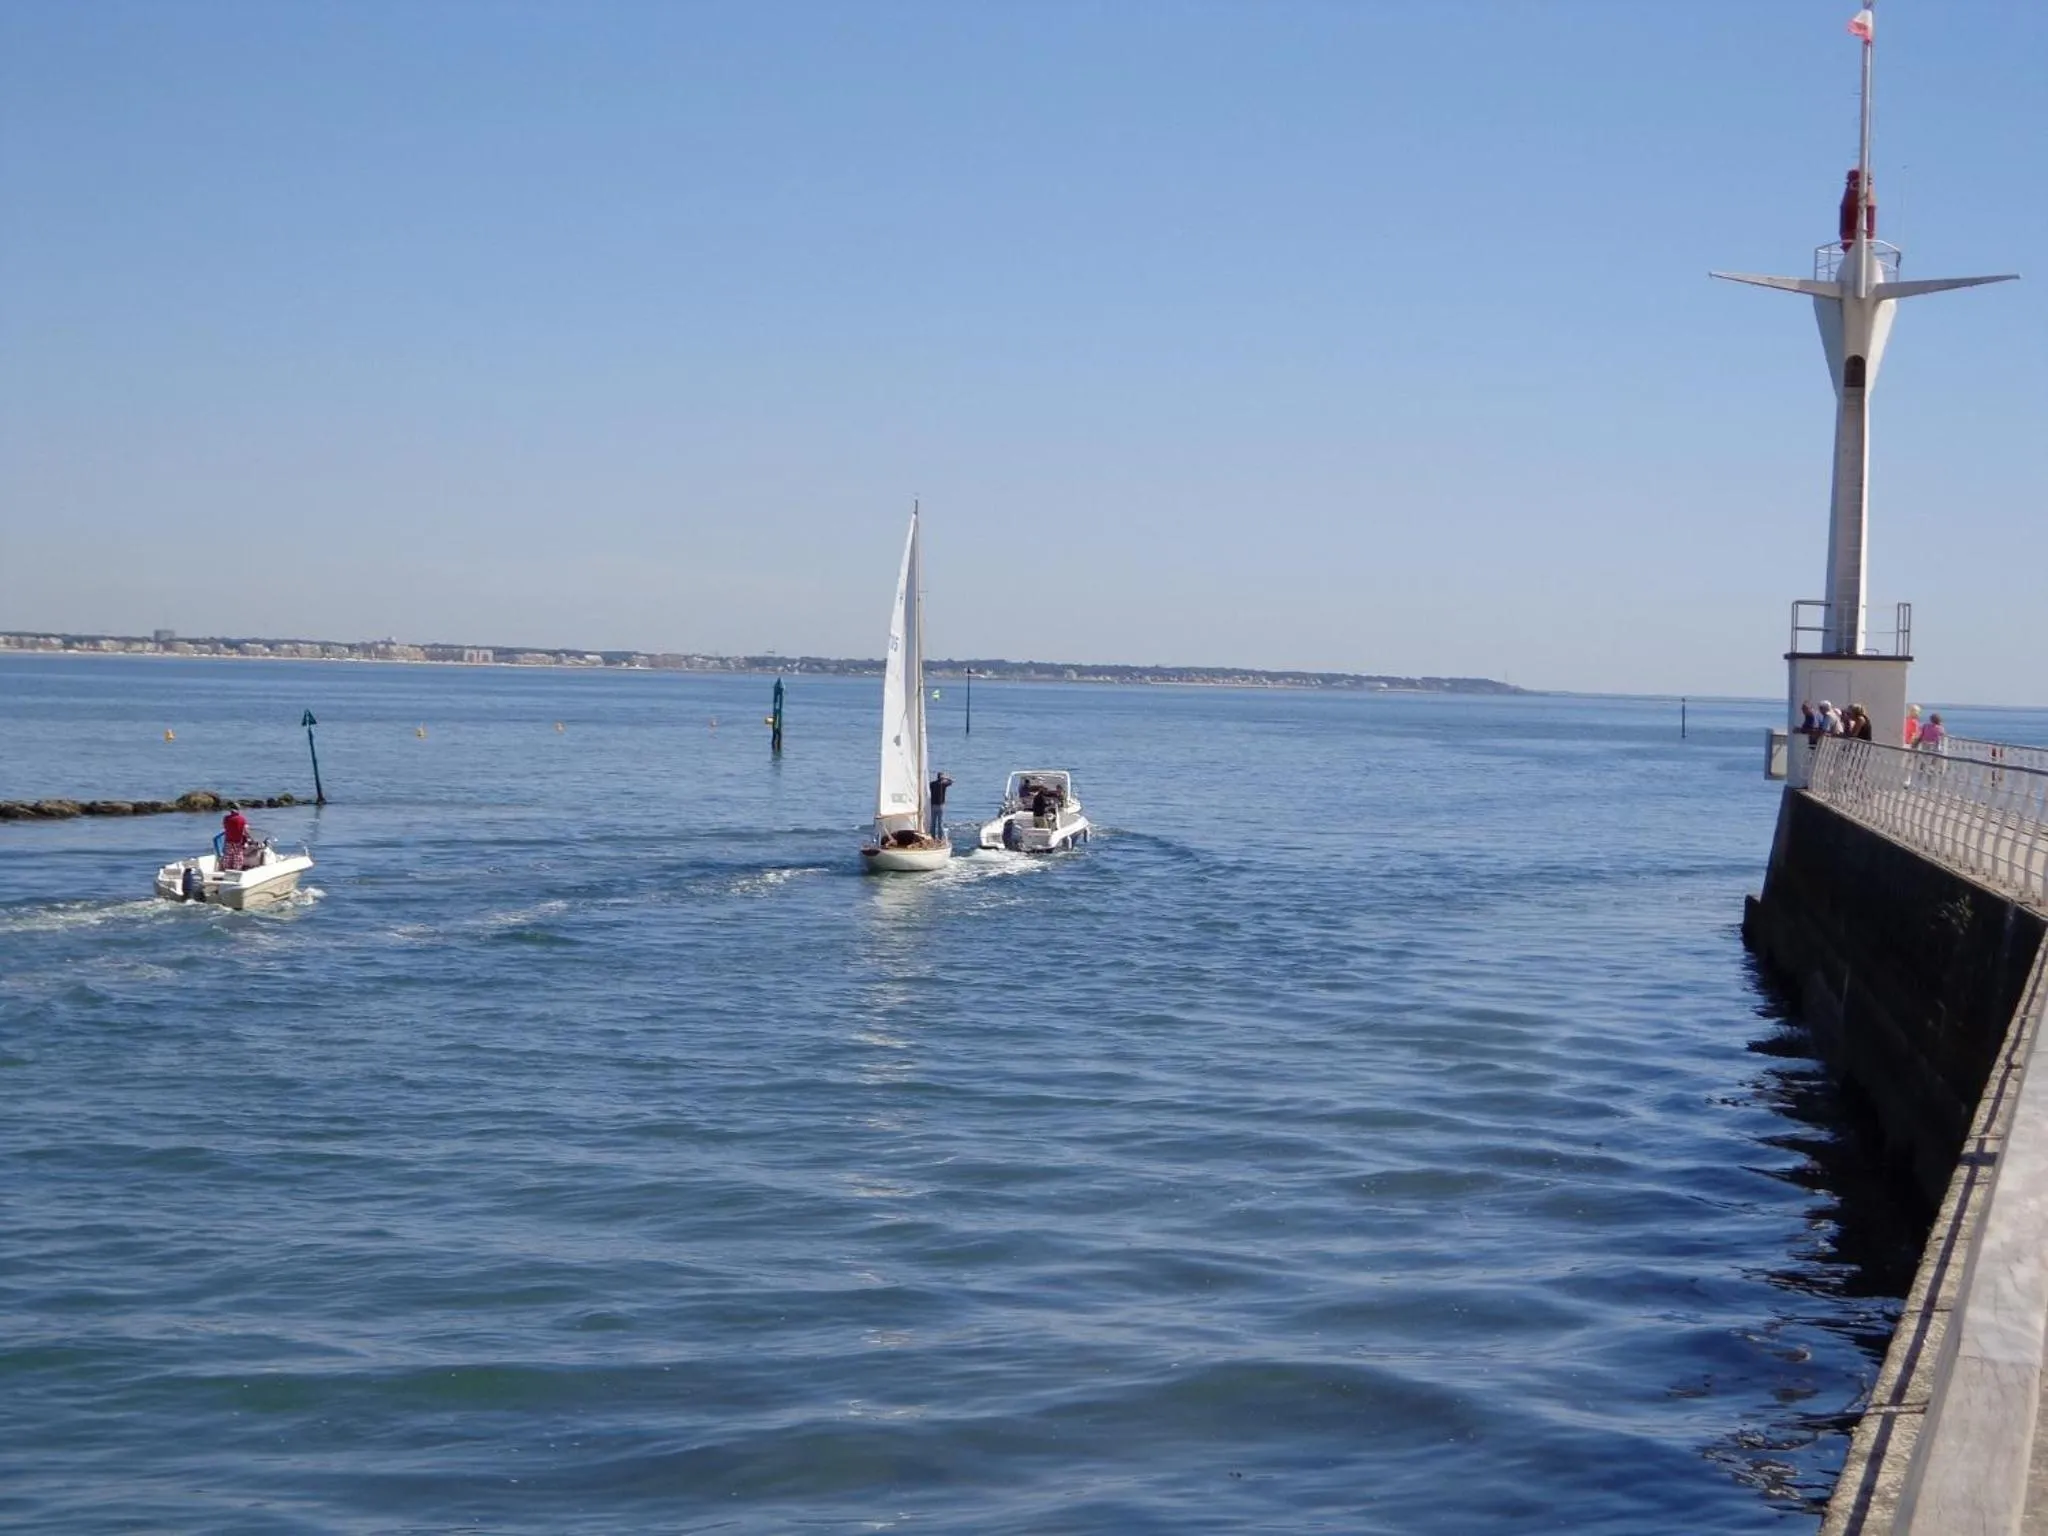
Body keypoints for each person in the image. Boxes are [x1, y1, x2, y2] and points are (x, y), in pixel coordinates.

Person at [927, 772, 951, 840]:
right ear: (942, 778)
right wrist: (946, 778)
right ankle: (940, 839)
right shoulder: (943, 784)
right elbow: (951, 781)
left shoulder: (932, 784)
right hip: (940, 806)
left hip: (933, 805)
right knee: (940, 823)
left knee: (933, 823)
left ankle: (932, 837)